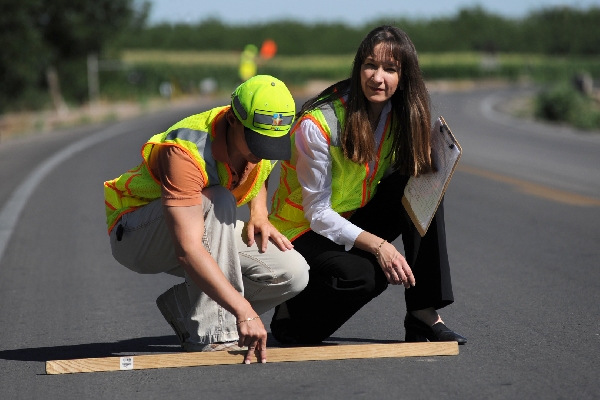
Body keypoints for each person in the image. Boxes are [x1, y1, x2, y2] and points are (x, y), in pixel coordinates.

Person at [268, 26, 467, 345]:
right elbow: (317, 213)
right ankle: (291, 308)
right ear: (358, 67)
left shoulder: (400, 116)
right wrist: (379, 245)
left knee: (425, 184)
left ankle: (423, 314)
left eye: (390, 69)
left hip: (349, 218)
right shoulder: (318, 124)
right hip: (301, 230)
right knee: (366, 277)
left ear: (404, 77)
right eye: (370, 65)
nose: (378, 77)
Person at [104, 75, 310, 364]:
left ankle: (183, 306)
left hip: (197, 223)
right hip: (137, 233)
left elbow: (260, 171)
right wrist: (244, 311)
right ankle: (212, 336)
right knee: (218, 200)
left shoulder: (266, 132)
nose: (261, 151)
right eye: (256, 141)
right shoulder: (185, 150)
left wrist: (259, 214)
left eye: (270, 143)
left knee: (292, 273)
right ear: (234, 119)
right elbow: (188, 249)